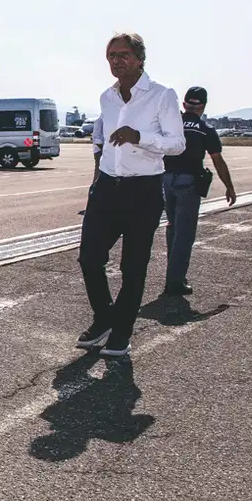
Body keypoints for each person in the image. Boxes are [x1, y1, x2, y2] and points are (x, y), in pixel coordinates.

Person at [76, 32, 185, 357]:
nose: (116, 60)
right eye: (111, 56)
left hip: (143, 190)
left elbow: (177, 143)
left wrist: (140, 136)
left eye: (123, 55)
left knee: (133, 266)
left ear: (140, 59)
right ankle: (105, 318)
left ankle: (121, 332)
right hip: (108, 188)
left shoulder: (161, 95)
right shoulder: (107, 98)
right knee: (89, 258)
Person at [161, 86, 237, 296]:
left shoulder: (171, 126)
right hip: (188, 182)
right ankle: (175, 281)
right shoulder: (205, 129)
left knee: (172, 228)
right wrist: (229, 186)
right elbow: (217, 161)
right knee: (184, 234)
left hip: (166, 179)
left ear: (184, 104)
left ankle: (173, 273)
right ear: (202, 106)